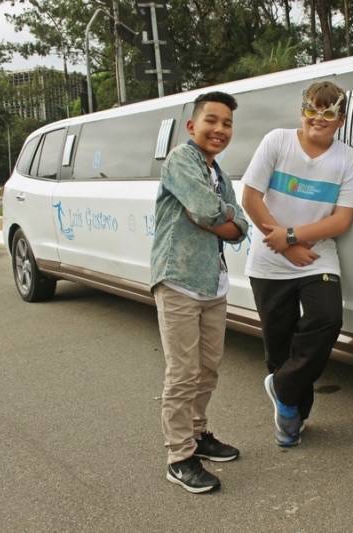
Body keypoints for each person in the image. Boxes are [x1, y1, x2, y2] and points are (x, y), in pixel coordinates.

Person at [241, 81, 353, 447]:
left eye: (328, 113)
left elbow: (341, 220)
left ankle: (280, 388)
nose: (318, 119)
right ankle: (293, 418)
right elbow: (250, 197)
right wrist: (283, 242)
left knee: (327, 320)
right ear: (302, 112)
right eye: (312, 110)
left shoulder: (347, 160)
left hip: (316, 257)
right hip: (269, 261)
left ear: (341, 119)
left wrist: (292, 237)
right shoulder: (277, 141)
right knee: (280, 347)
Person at [150, 91, 249, 493]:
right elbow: (210, 212)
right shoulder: (180, 161)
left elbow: (240, 224)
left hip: (213, 281)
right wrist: (221, 216)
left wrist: (223, 217)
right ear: (193, 126)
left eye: (227, 123)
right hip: (178, 279)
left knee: (208, 368)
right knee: (183, 373)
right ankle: (179, 456)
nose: (220, 129)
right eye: (212, 120)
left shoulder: (217, 173)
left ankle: (198, 434)